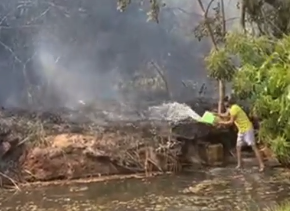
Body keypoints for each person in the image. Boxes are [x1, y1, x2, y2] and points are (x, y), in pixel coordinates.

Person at [215, 96, 265, 172]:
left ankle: (262, 165)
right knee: (238, 147)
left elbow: (231, 122)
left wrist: (220, 122)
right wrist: (217, 114)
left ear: (228, 102)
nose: (225, 104)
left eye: (225, 102)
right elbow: (226, 115)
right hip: (241, 130)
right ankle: (240, 164)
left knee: (253, 147)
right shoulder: (231, 108)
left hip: (247, 129)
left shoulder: (234, 108)